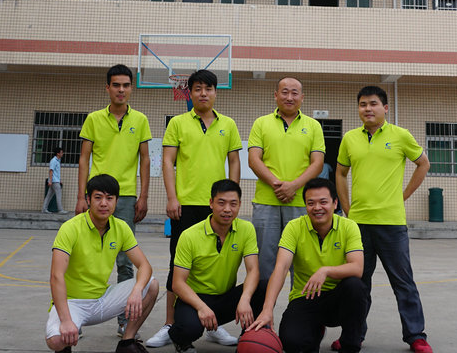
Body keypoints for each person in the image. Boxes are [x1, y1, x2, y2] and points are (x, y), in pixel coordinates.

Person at [146, 69, 242, 348]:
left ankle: (214, 325)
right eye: (198, 88)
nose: (203, 93)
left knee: (220, 265)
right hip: (186, 205)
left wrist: (231, 199)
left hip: (217, 207)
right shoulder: (177, 123)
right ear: (189, 93)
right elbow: (167, 161)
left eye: (208, 88)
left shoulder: (228, 124)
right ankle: (170, 323)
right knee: (178, 264)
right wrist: (172, 197)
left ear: (215, 92)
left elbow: (234, 161)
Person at [335, 86, 432, 353]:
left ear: (385, 108)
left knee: (403, 282)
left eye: (373, 103)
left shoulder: (400, 135)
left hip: (391, 224)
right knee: (357, 284)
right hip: (358, 225)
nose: (368, 108)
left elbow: (423, 163)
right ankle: (353, 335)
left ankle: (416, 336)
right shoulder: (350, 139)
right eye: (363, 104)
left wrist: (403, 195)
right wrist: (347, 209)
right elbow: (341, 173)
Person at [250, 177, 368, 353]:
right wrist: (267, 310)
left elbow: (357, 268)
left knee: (355, 287)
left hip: (337, 300)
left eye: (323, 202)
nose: (317, 207)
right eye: (311, 203)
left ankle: (350, 346)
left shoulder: (349, 226)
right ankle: (314, 331)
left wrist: (325, 271)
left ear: (335, 203)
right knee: (292, 343)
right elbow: (281, 268)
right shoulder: (294, 227)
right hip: (305, 296)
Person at [78, 64, 153, 335]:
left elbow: (145, 160)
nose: (121, 90)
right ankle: (77, 313)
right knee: (85, 256)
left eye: (126, 85)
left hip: (126, 198)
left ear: (131, 88)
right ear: (107, 87)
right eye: (116, 85)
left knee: (125, 260)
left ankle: (124, 320)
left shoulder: (140, 120)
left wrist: (143, 195)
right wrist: (82, 196)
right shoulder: (93, 119)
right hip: (96, 195)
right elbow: (84, 159)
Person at [46, 174, 158, 353]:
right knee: (56, 340)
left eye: (109, 198)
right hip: (73, 303)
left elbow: (145, 265)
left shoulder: (121, 227)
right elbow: (56, 276)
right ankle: (65, 344)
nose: (104, 203)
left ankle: (127, 342)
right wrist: (66, 320)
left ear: (116, 201)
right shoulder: (70, 228)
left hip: (103, 299)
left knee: (151, 285)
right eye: (98, 197)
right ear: (88, 199)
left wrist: (137, 290)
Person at [247, 76, 325, 287]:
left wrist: (294, 186)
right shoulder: (261, 123)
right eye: (284, 92)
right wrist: (278, 185)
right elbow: (254, 160)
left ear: (302, 97)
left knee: (302, 264)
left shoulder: (313, 126)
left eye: (294, 93)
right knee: (264, 264)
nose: (289, 97)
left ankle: (300, 308)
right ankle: (263, 308)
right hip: (266, 202)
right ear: (275, 95)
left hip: (301, 203)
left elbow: (317, 163)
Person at [168, 180, 262, 353]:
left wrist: (245, 298)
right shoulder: (189, 236)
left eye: (233, 204)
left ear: (240, 205)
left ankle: (247, 340)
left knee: (263, 287)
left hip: (225, 298)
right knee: (189, 329)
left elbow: (253, 270)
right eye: (221, 203)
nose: (227, 209)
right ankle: (179, 340)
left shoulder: (246, 229)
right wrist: (201, 307)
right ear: (211, 203)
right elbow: (178, 283)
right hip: (195, 299)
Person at [43, 147, 65, 214]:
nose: (62, 154)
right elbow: (51, 170)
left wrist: (59, 180)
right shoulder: (54, 161)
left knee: (49, 195)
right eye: (61, 152)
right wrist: (50, 180)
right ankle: (60, 210)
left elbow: (56, 172)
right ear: (58, 153)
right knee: (58, 195)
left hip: (55, 180)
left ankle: (44, 209)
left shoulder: (57, 161)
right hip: (54, 181)